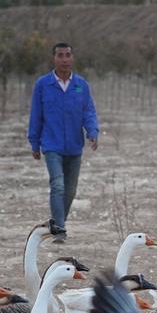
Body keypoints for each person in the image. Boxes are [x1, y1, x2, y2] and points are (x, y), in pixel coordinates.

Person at [28, 42, 99, 243]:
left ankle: (59, 223)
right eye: (60, 55)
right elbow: (36, 115)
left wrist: (92, 131)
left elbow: (88, 111)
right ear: (54, 58)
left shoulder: (81, 85)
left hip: (75, 146)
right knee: (57, 185)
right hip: (52, 144)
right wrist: (34, 143)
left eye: (68, 55)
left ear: (73, 58)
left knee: (70, 190)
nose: (65, 59)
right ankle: (59, 231)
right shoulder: (43, 85)